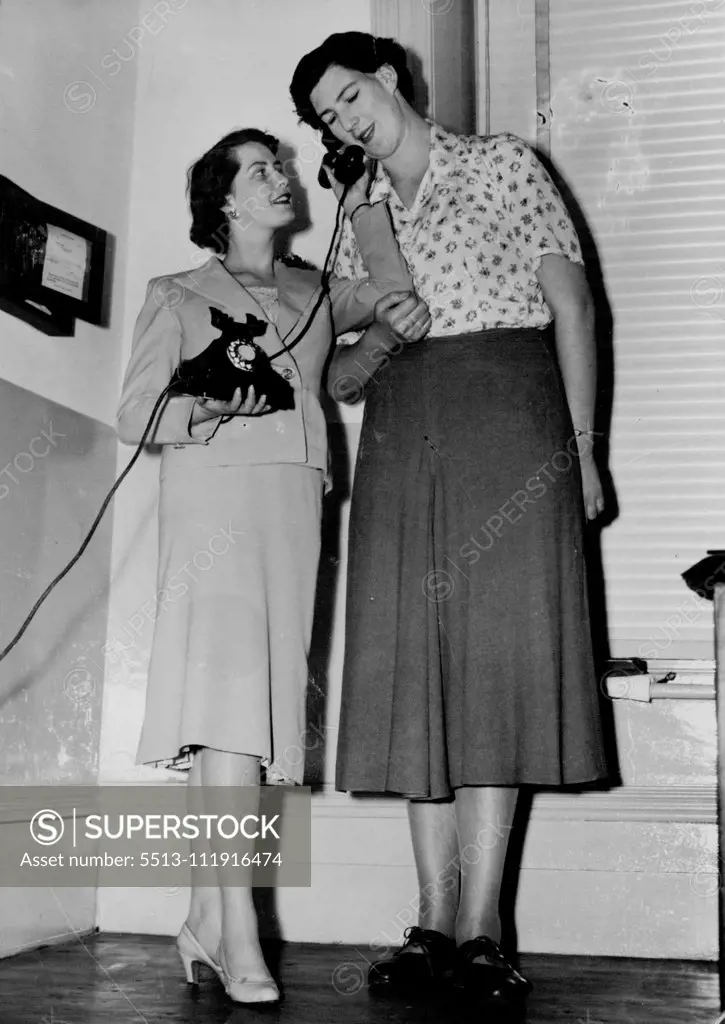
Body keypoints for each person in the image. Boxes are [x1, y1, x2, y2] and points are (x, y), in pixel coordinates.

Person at [290, 32, 609, 1006]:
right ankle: (431, 923)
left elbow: (572, 306)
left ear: (389, 78)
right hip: (401, 433)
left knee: (495, 670)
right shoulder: (358, 215)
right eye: (326, 115)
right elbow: (340, 366)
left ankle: (482, 930)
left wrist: (583, 446)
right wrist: (377, 319)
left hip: (509, 418)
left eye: (349, 95)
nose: (344, 119)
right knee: (415, 673)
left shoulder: (505, 162)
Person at [116, 126, 430, 1005]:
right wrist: (208, 403)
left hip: (295, 498)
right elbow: (135, 415)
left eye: (282, 166)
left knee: (250, 711)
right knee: (226, 717)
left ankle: (202, 920)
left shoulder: (320, 289)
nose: (280, 177)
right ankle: (240, 933)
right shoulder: (175, 291)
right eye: (260, 170)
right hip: (212, 492)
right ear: (223, 200)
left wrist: (366, 200)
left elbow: (391, 290)